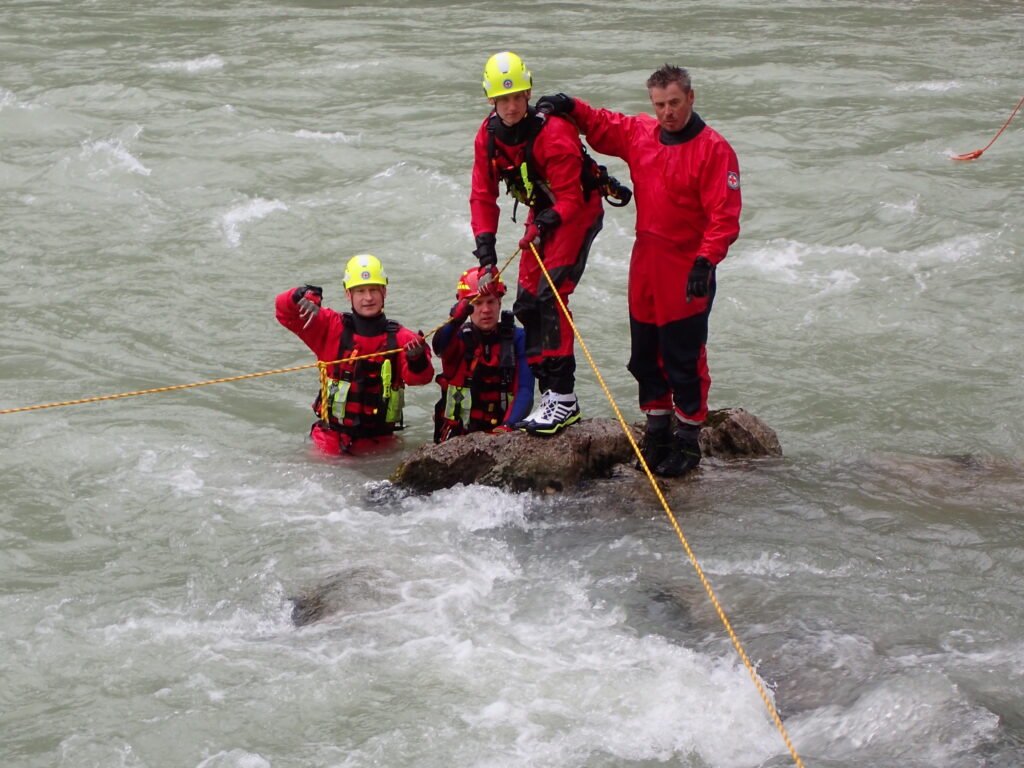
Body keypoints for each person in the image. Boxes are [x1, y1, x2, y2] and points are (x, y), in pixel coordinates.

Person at [536, 64, 742, 476]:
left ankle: (688, 438)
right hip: (645, 261)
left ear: (691, 98)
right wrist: (568, 105)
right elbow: (603, 124)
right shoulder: (641, 135)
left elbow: (725, 214)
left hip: (687, 267)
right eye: (660, 104)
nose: (667, 112)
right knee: (644, 356)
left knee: (682, 357)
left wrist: (707, 259)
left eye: (675, 103)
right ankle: (658, 428)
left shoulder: (714, 149)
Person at [470, 51, 605, 435]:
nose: (512, 107)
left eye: (518, 98)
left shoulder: (553, 132)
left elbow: (570, 198)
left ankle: (563, 396)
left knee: (551, 296)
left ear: (528, 94)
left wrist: (544, 222)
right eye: (503, 99)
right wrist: (486, 254)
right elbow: (482, 195)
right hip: (542, 213)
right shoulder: (489, 135)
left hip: (575, 209)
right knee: (527, 302)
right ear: (491, 101)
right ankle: (550, 394)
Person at [275, 253, 433, 455]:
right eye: (360, 291)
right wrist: (301, 293)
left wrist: (416, 360)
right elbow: (284, 312)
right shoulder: (330, 326)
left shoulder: (403, 339)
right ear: (348, 294)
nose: (368, 297)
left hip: (381, 446)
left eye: (374, 290)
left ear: (384, 291)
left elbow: (421, 378)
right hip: (330, 444)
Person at [431, 266, 534, 443]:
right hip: (457, 437)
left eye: (491, 302)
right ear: (465, 306)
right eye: (477, 303)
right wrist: (455, 319)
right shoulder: (457, 338)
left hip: (502, 432)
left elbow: (525, 390)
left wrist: (507, 427)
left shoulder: (518, 339)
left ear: (500, 302)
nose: (485, 310)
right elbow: (439, 348)